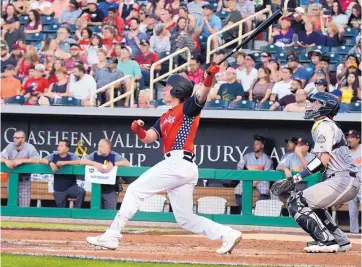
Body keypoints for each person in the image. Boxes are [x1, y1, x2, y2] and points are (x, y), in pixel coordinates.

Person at [86, 65, 243, 254]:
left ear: (177, 90)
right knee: (185, 219)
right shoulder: (165, 116)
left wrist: (209, 75)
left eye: (167, 87)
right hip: (182, 166)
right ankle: (227, 233)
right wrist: (138, 129)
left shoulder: (187, 108)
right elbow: (148, 138)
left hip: (178, 162)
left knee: (135, 190)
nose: (164, 89)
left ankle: (112, 235)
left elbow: (202, 94)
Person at [283, 92, 360, 252]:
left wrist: (296, 178)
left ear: (325, 107)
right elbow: (323, 163)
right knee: (313, 205)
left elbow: (321, 161)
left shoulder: (324, 125)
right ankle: (341, 240)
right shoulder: (325, 125)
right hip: (341, 179)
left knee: (295, 202)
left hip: (342, 180)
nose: (311, 105)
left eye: (316, 102)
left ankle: (326, 241)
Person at [80, 139, 130, 210]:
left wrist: (113, 164)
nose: (99, 148)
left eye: (102, 146)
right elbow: (82, 162)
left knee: (110, 215)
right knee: (96, 215)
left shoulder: (114, 155)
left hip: (110, 190)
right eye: (98, 146)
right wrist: (94, 163)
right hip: (96, 190)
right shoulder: (95, 154)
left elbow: (127, 163)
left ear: (108, 147)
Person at [39, 140, 85, 208]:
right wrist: (50, 163)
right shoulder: (54, 155)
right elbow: (41, 160)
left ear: (67, 149)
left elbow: (80, 162)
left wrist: (65, 162)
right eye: (58, 146)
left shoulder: (72, 156)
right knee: (61, 212)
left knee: (81, 191)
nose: (58, 147)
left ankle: (76, 212)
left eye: (61, 146)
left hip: (71, 187)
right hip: (59, 189)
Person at [0, 130, 40, 207]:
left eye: (17, 138)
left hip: (24, 180)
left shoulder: (29, 147)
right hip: (11, 180)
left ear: (23, 139)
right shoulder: (10, 146)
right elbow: (0, 157)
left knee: (24, 207)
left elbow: (37, 160)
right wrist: (6, 161)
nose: (14, 139)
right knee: (12, 205)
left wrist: (22, 160)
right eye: (14, 137)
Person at [235, 135, 273, 213]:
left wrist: (255, 182)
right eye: (254, 144)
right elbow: (239, 168)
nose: (255, 146)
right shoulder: (247, 156)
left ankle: (257, 211)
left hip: (261, 181)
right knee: (237, 190)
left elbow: (267, 175)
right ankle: (243, 210)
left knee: (265, 188)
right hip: (248, 180)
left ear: (262, 145)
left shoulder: (267, 160)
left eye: (257, 144)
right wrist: (245, 179)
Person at [346, 130, 361, 234]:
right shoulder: (346, 152)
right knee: (352, 213)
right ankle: (354, 235)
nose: (349, 139)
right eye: (348, 137)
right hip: (351, 184)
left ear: (358, 139)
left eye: (352, 137)